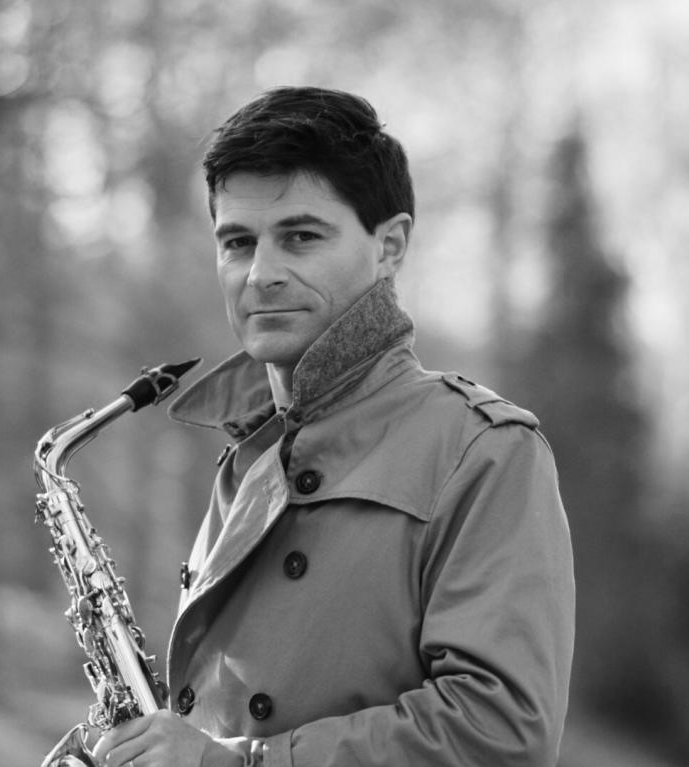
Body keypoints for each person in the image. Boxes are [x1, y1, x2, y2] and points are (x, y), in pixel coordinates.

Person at [94, 86, 575, 767]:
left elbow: (500, 732)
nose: (260, 275)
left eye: (300, 237)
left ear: (390, 245)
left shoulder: (484, 450)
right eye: (237, 242)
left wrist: (234, 763)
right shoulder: (247, 454)